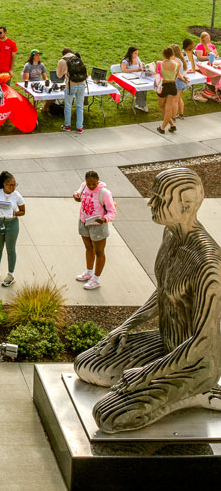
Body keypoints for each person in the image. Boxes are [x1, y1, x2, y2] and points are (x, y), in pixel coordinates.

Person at [74, 168, 221, 433]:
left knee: (107, 416)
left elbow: (203, 342)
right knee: (86, 364)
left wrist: (145, 374)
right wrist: (126, 326)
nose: (150, 203)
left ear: (185, 206)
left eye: (159, 199)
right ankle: (165, 383)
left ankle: (199, 392)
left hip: (195, 362)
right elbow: (164, 292)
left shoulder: (208, 263)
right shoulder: (172, 236)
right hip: (166, 341)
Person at [73, 169, 116, 290]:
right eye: (89, 184)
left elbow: (112, 211)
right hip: (84, 221)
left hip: (98, 225)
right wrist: (76, 195)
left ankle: (96, 279)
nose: (91, 186)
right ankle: (89, 273)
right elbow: (78, 192)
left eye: (94, 184)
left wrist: (105, 219)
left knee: (99, 252)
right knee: (88, 248)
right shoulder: (84, 186)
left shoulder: (105, 193)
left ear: (98, 181)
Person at [0, 170, 25, 287]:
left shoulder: (17, 196)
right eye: (11, 185)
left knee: (10, 249)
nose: (13, 187)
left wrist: (13, 213)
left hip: (12, 224)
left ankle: (10, 275)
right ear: (4, 184)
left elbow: (23, 211)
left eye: (15, 185)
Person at [57, 47, 89, 134]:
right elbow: (86, 74)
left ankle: (67, 126)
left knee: (68, 106)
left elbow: (59, 76)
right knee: (80, 106)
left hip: (71, 85)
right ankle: (80, 127)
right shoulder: (78, 59)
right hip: (82, 84)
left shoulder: (62, 61)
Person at [156, 46, 181, 135]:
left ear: (163, 54)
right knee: (168, 108)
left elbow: (157, 75)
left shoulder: (159, 63)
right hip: (172, 85)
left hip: (163, 86)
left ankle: (162, 127)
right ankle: (172, 125)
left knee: (162, 106)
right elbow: (175, 76)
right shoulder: (176, 64)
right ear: (172, 54)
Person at [118, 46, 149, 112]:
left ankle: (141, 104)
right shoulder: (125, 60)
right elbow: (123, 70)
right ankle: (142, 105)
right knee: (141, 87)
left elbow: (140, 64)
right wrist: (136, 70)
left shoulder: (137, 58)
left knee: (144, 87)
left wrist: (142, 67)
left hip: (137, 77)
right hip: (128, 79)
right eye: (135, 53)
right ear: (131, 53)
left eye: (137, 53)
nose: (136, 55)